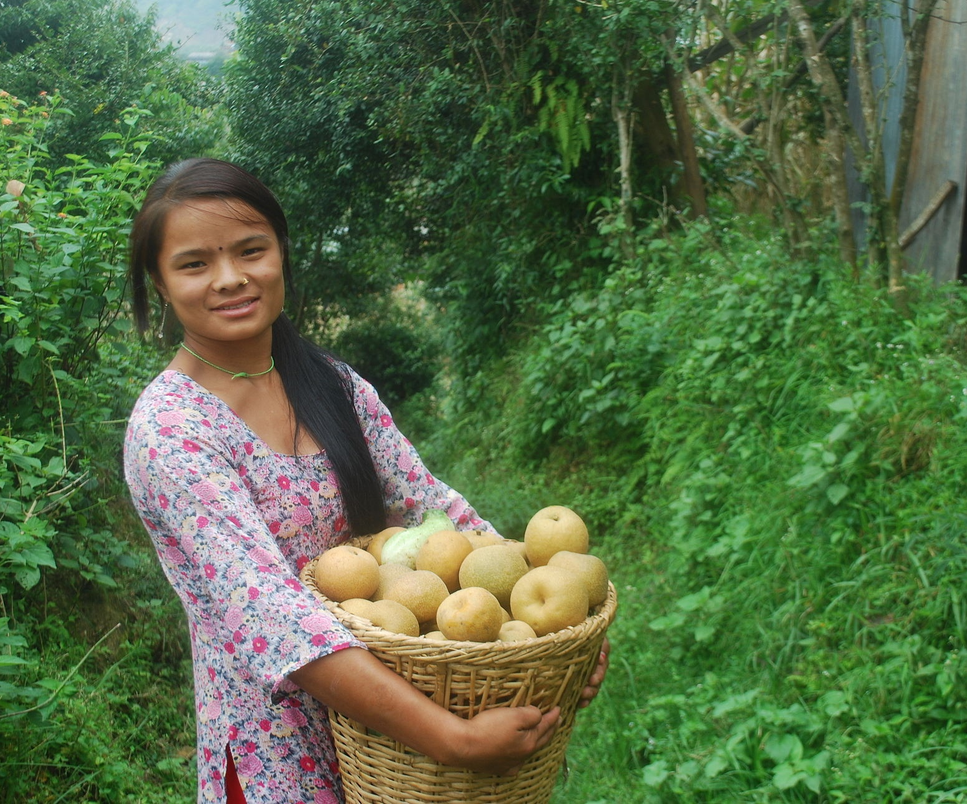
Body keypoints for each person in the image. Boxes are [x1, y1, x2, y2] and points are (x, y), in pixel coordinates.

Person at [122, 158, 608, 804]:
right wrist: (453, 739)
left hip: (394, 738)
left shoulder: (331, 385)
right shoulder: (171, 431)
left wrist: (549, 638)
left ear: (281, 254)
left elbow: (433, 507)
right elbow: (274, 617)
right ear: (159, 280)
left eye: (251, 250)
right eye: (194, 263)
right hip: (284, 755)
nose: (231, 278)